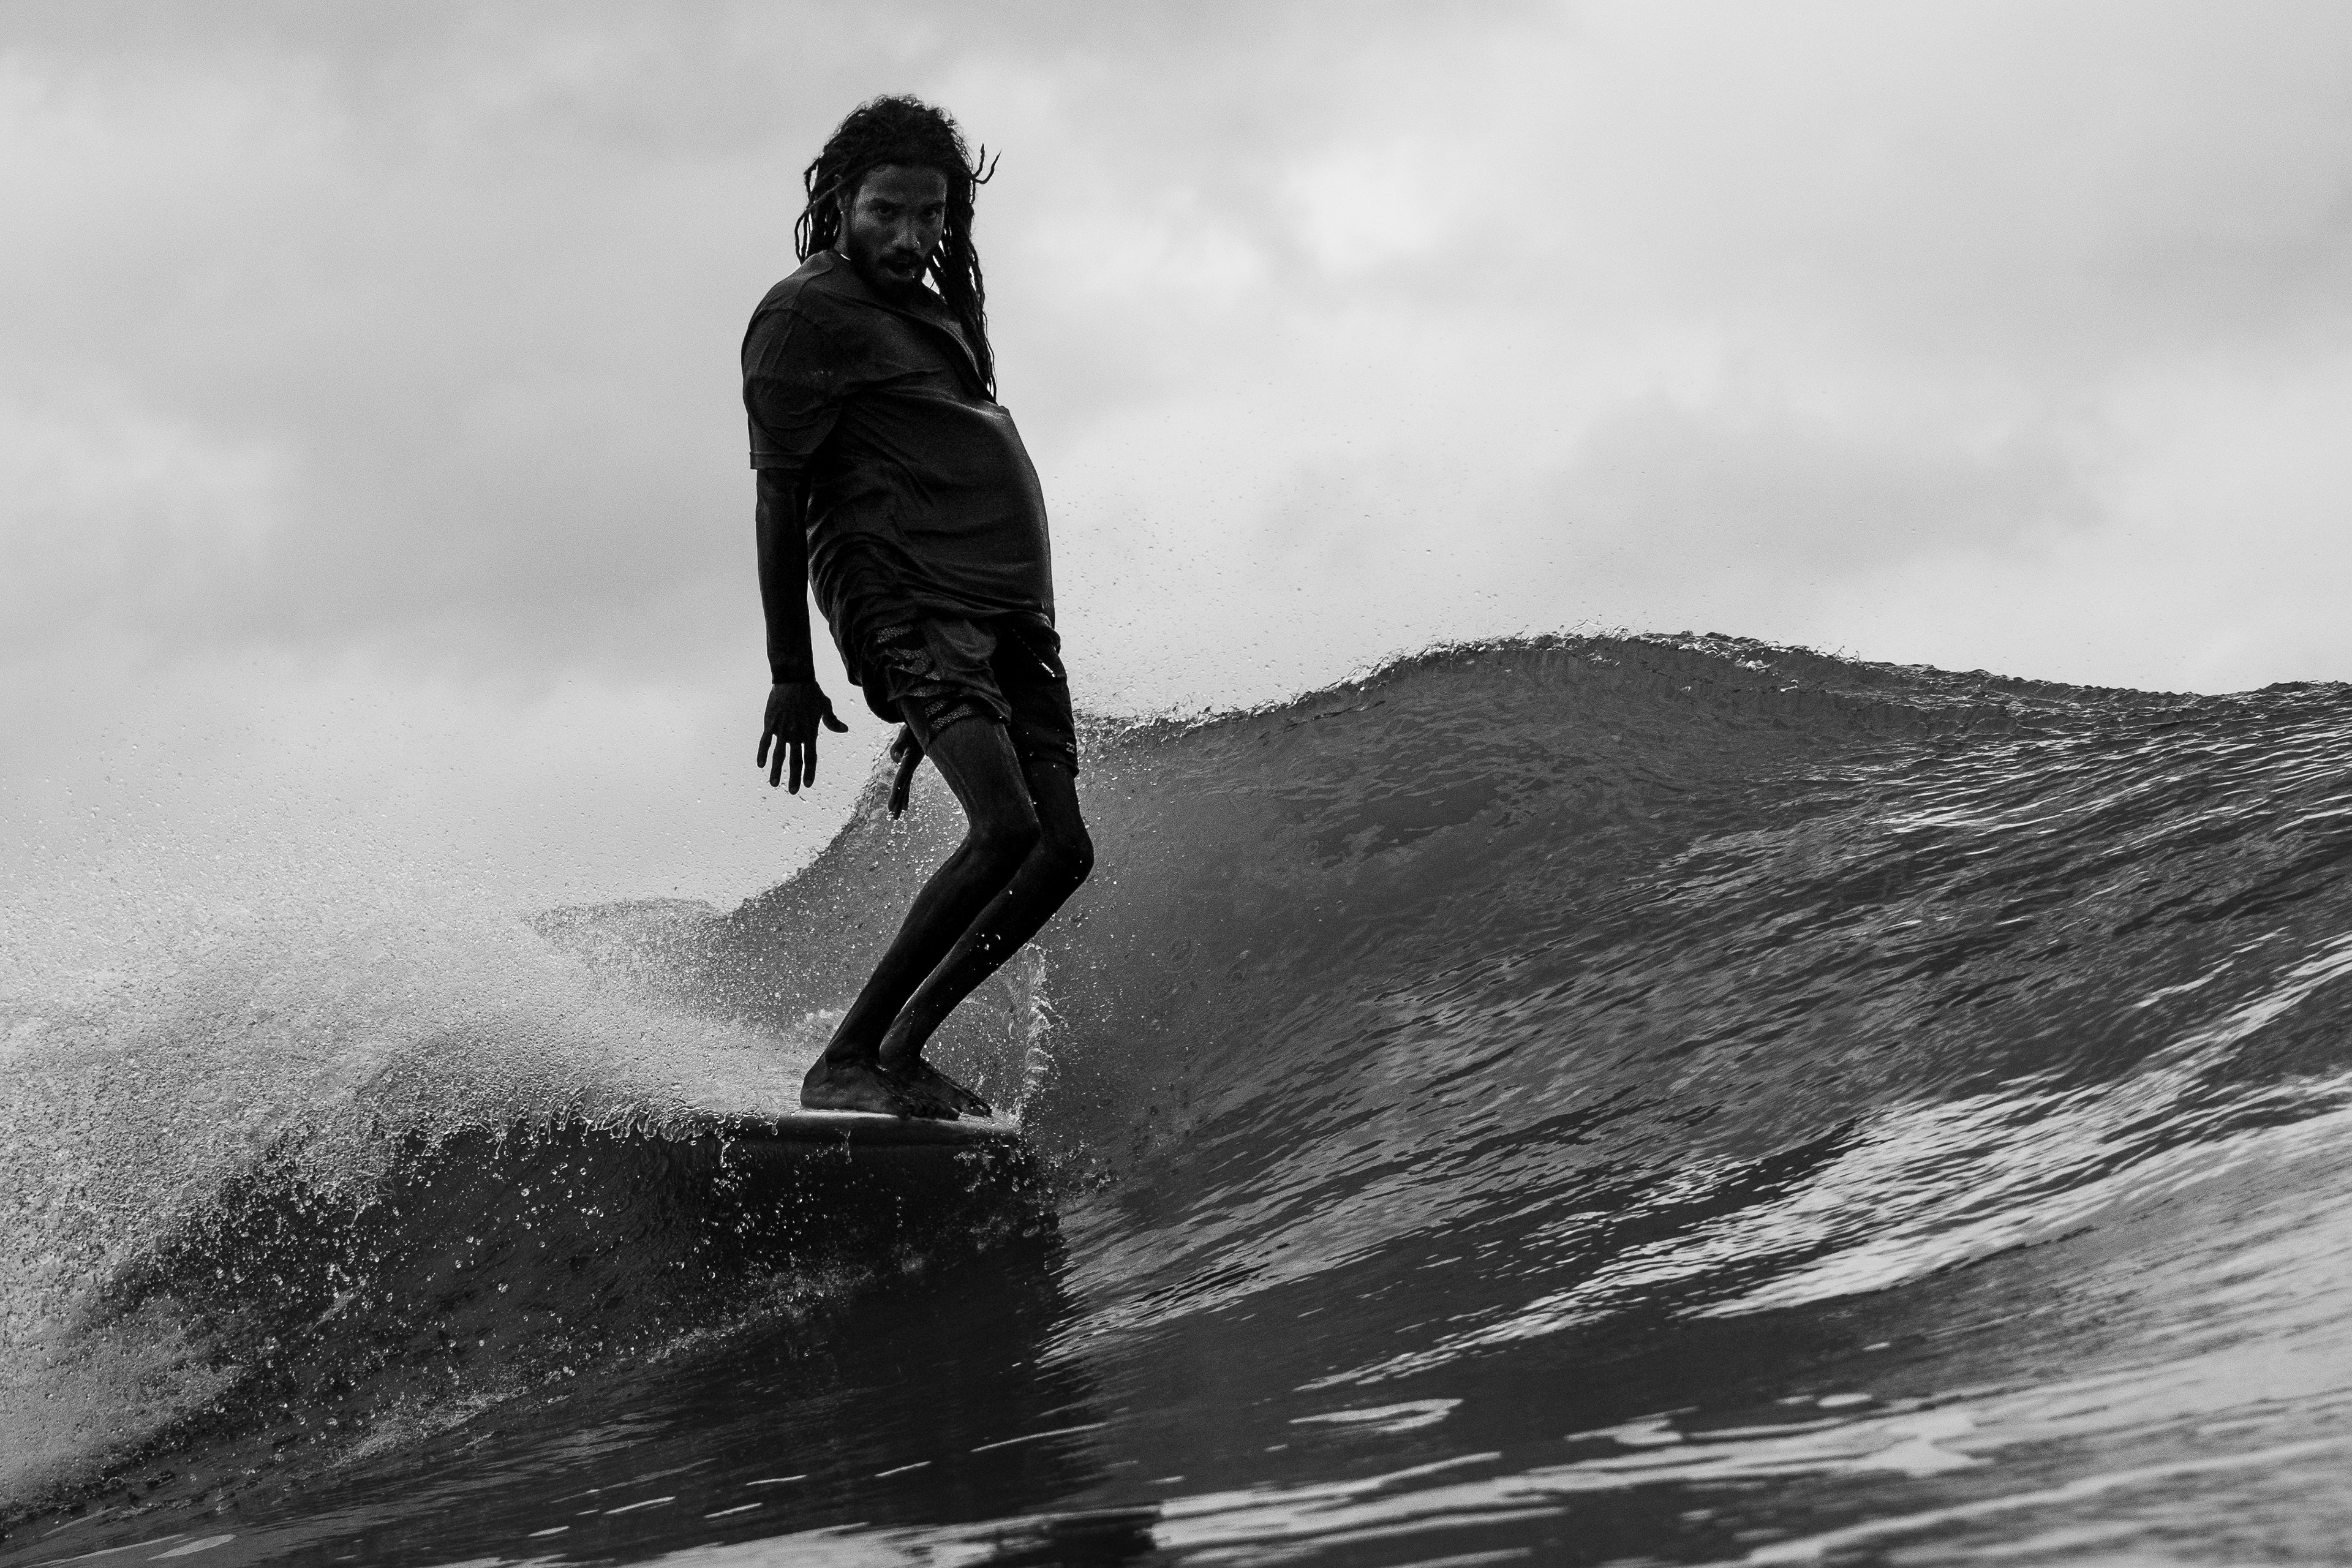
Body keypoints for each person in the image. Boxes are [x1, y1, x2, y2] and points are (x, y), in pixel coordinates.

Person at [744, 96, 1093, 1120]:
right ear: (840, 203)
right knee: (1002, 828)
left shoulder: (937, 307)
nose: (911, 237)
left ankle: (898, 1050)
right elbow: (779, 496)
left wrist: (945, 708)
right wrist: (791, 672)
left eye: (931, 216)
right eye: (887, 212)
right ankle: (848, 1056)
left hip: (1000, 618)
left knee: (1062, 850)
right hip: (906, 596)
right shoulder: (800, 316)